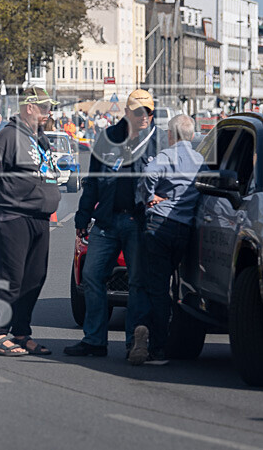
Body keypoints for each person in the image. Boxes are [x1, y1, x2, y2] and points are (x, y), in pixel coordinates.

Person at [65, 89, 161, 358]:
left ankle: (135, 343)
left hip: (138, 222)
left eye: (149, 111)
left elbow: (172, 181)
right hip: (106, 221)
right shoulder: (107, 139)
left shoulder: (158, 141)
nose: (145, 116)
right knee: (92, 277)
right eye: (140, 111)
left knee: (138, 282)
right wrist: (82, 219)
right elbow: (93, 182)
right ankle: (95, 341)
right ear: (127, 112)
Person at [0, 86, 62, 356]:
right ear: (29, 107)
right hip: (13, 216)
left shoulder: (40, 139)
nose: (48, 113)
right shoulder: (7, 136)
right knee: (10, 277)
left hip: (39, 217)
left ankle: (21, 333)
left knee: (35, 278)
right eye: (44, 108)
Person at [129, 115, 206, 365]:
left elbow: (148, 175)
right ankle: (166, 335)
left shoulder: (165, 157)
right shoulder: (199, 160)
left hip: (159, 226)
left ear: (171, 136)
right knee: (174, 286)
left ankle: (157, 346)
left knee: (157, 288)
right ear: (192, 136)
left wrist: (150, 197)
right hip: (183, 230)